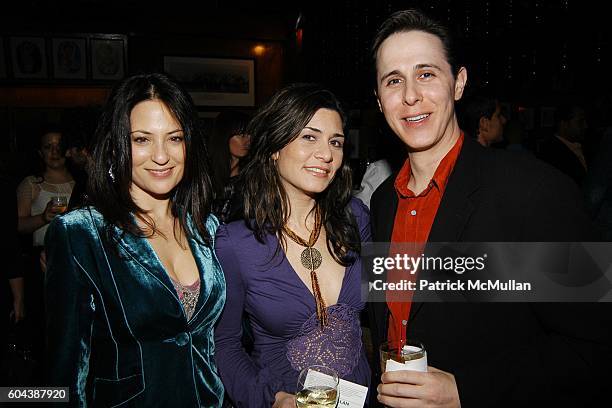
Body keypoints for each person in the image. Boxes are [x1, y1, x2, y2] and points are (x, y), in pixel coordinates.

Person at [368, 9, 608, 407]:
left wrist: (467, 390)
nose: (410, 95)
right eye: (394, 80)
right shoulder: (383, 203)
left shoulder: (530, 189)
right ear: (379, 100)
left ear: (458, 83)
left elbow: (596, 345)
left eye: (426, 73)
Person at [44, 73, 226, 406]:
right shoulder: (80, 234)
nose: (161, 156)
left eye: (174, 138)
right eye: (142, 139)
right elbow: (65, 367)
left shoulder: (208, 228)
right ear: (116, 145)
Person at [214, 83, 371, 407]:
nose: (326, 154)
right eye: (309, 137)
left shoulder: (357, 219)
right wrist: (270, 399)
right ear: (274, 147)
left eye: (336, 141)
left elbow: (396, 305)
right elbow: (225, 344)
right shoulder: (237, 243)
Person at [16, 125, 74, 373]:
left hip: (74, 260)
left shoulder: (81, 183)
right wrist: (44, 217)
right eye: (48, 146)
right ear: (40, 152)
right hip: (39, 260)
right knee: (45, 323)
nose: (54, 151)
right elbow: (17, 226)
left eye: (58, 145)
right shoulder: (32, 184)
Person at [209, 110, 251, 223]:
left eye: (249, 133)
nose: (247, 140)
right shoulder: (205, 177)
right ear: (224, 136)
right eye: (241, 134)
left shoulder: (250, 179)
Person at [537, 102, 589, 185]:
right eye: (580, 122)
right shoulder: (551, 153)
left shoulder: (587, 146)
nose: (586, 126)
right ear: (564, 124)